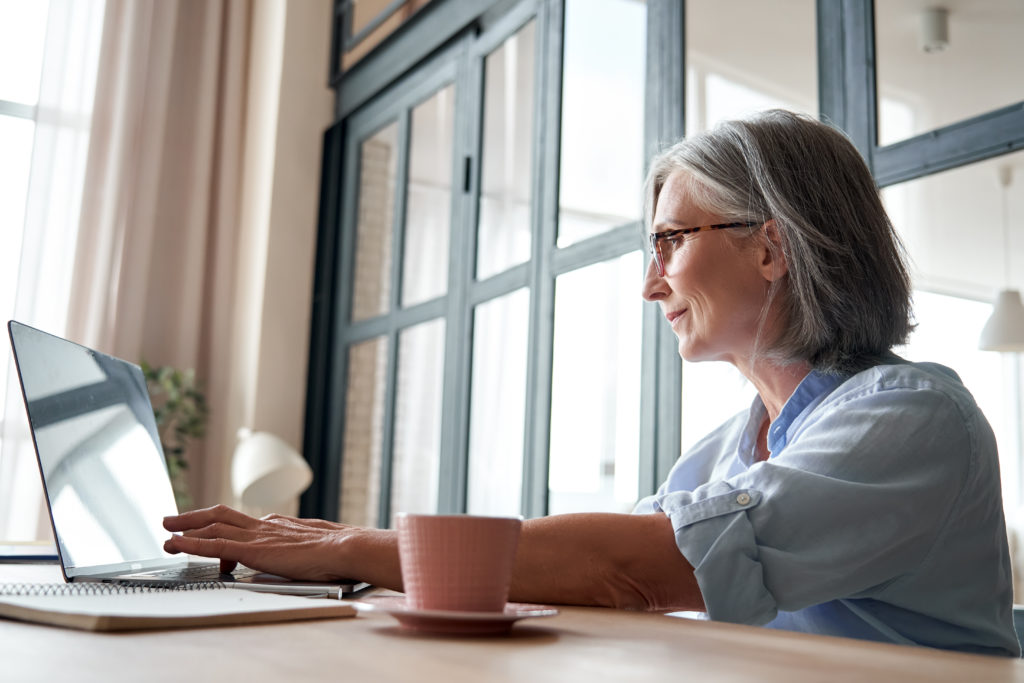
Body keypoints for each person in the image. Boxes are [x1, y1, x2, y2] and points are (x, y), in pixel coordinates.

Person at [164, 109, 1019, 656]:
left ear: (771, 247)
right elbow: (596, 566)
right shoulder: (727, 450)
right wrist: (347, 555)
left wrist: (351, 548)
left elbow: (641, 565)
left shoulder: (916, 419)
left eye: (669, 242)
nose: (652, 286)